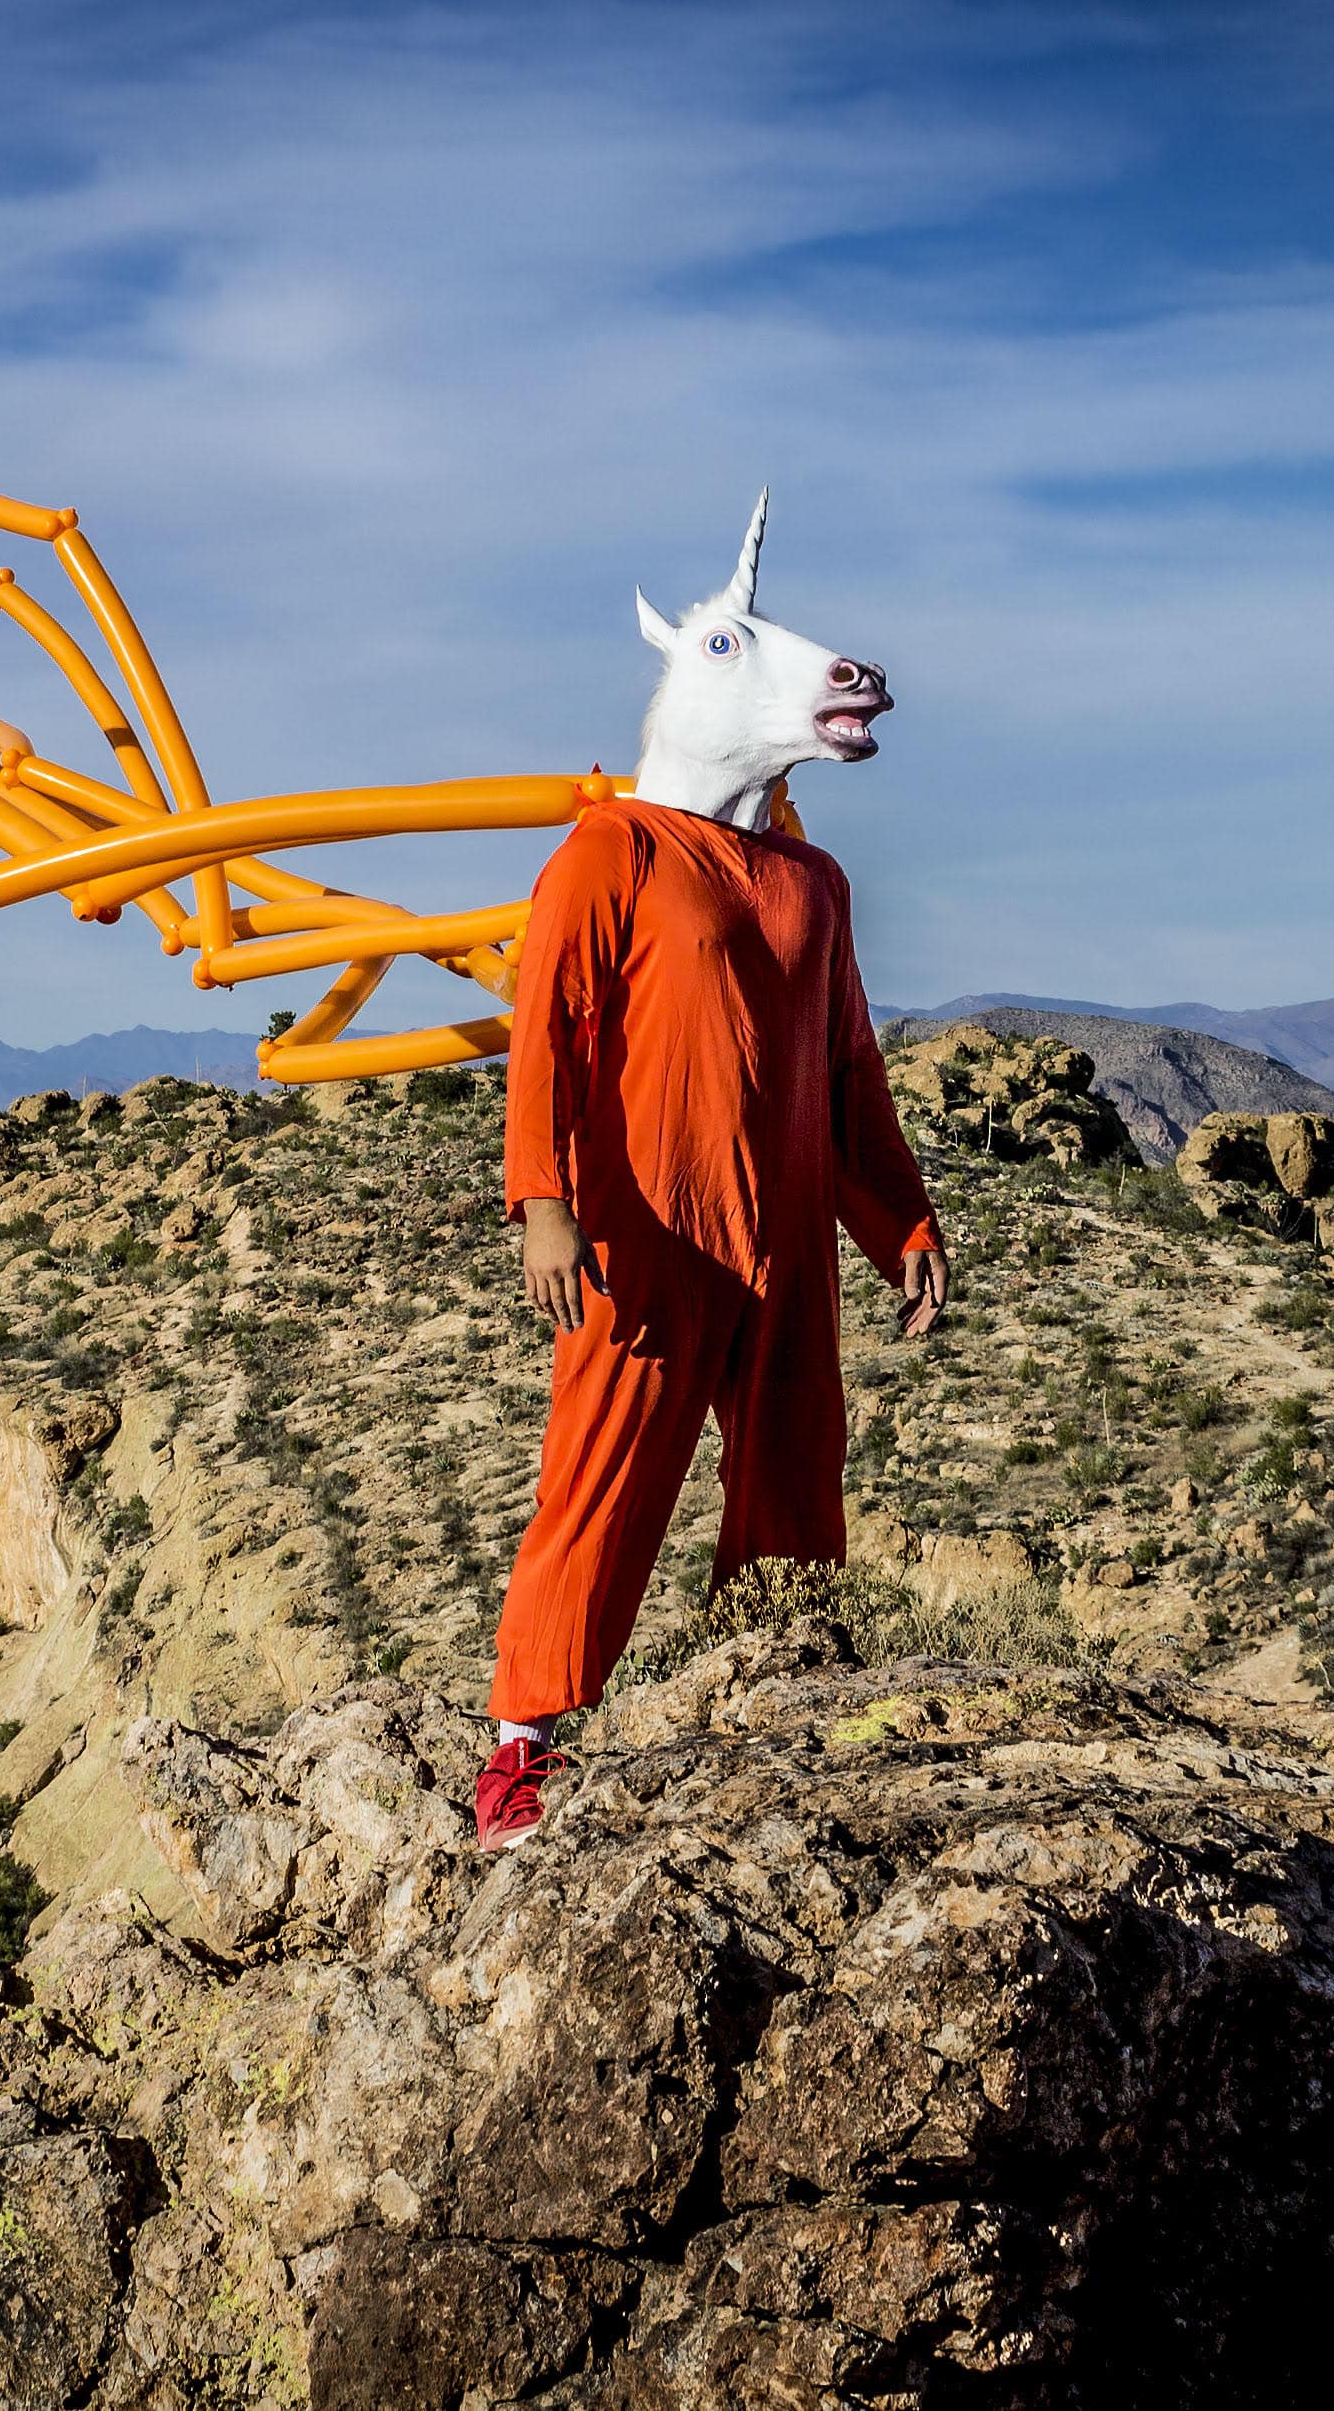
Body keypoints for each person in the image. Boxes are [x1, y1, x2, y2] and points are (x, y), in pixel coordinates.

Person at [470, 505, 948, 1851]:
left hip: (787, 1229)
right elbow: (548, 1030)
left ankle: (778, 1709)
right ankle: (522, 1748)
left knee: (797, 1466)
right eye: (735, 646)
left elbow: (847, 1066)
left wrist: (898, 1221)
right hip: (648, 1227)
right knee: (603, 1472)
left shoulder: (815, 882)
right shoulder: (607, 853)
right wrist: (545, 1202)